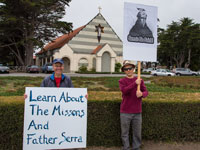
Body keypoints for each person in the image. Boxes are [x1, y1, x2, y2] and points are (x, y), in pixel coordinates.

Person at [119, 60, 148, 150]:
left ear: (133, 69)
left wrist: (142, 94)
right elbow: (124, 91)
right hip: (125, 111)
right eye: (126, 69)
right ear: (124, 71)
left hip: (137, 111)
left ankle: (136, 148)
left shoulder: (140, 80)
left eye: (130, 68)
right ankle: (126, 148)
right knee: (125, 133)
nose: (128, 70)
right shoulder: (122, 81)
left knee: (137, 133)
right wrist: (134, 84)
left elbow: (146, 92)